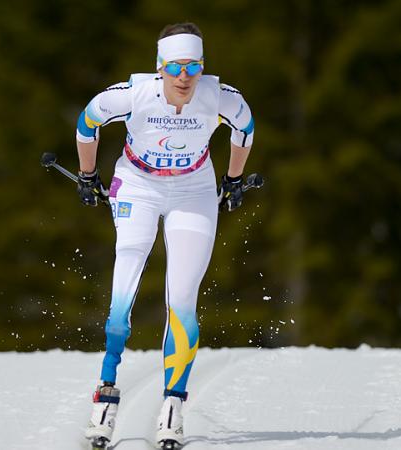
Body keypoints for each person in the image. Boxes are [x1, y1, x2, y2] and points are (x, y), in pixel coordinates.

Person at [75, 22, 255, 449]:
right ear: (160, 68)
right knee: (123, 294)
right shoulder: (132, 95)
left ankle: (173, 404)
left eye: (193, 66)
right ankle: (106, 391)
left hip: (193, 190)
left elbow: (245, 130)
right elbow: (87, 122)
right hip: (138, 184)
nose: (184, 77)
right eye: (175, 66)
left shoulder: (220, 97)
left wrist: (232, 181)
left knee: (182, 299)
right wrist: (87, 175)